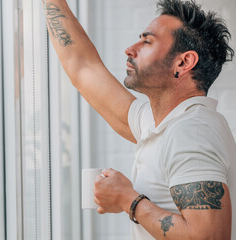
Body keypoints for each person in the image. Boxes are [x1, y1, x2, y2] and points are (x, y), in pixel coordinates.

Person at [43, 0, 235, 239]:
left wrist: (128, 200)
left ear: (183, 62)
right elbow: (84, 68)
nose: (130, 49)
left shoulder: (191, 132)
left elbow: (209, 237)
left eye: (147, 41)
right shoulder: (161, 124)